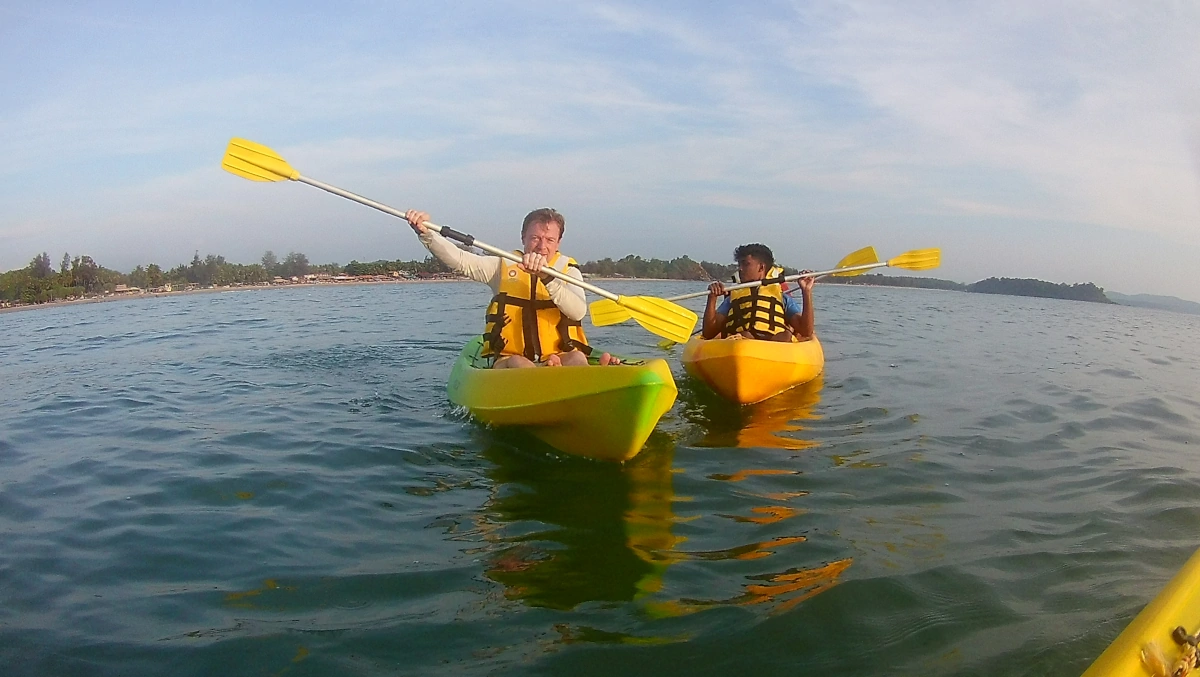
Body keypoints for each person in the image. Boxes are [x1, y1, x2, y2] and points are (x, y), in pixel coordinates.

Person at [404, 208, 620, 368]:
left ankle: (574, 376)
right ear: (523, 238)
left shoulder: (568, 271)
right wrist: (427, 234)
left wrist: (548, 278)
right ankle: (542, 378)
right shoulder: (502, 266)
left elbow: (578, 312)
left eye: (549, 240)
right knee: (520, 363)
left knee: (577, 357)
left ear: (558, 243)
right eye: (535, 238)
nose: (542, 246)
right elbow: (461, 260)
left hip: (558, 355)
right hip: (511, 360)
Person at [702, 243, 814, 342]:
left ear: (761, 267)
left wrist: (806, 291)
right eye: (739, 265)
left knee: (785, 335)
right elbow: (708, 333)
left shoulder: (782, 298)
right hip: (742, 342)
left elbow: (806, 331)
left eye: (745, 264)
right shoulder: (732, 298)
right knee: (745, 335)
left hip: (775, 346)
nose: (740, 269)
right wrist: (712, 298)